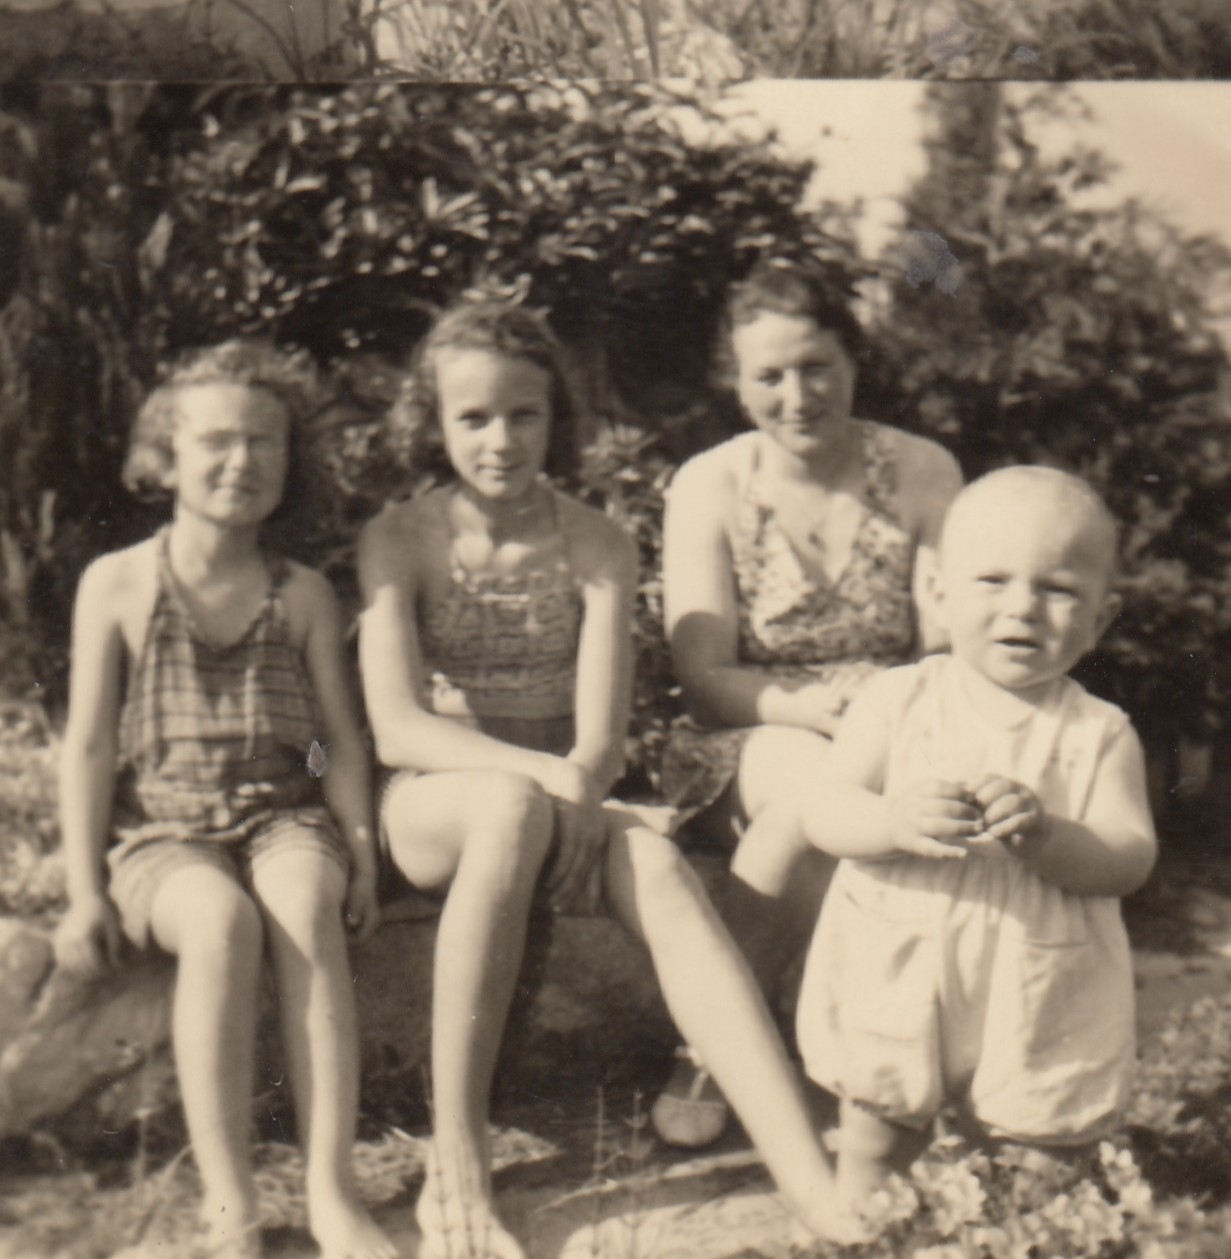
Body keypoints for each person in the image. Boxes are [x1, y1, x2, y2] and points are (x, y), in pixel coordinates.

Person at [357, 299, 859, 1259]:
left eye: (524, 414)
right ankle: (455, 1167)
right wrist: (547, 777)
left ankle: (811, 1182)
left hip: (560, 800)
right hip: (432, 806)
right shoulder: (399, 537)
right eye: (473, 418)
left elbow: (597, 742)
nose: (501, 440)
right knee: (505, 807)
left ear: (555, 418)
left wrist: (569, 781)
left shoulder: (596, 543)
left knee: (660, 869)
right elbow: (396, 728)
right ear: (433, 421)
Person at [53, 342, 396, 1259]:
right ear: (165, 457)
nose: (240, 461)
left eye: (263, 442)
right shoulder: (117, 585)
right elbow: (90, 746)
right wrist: (83, 891)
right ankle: (229, 1195)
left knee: (302, 901)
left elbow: (333, 739)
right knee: (217, 920)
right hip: (163, 832)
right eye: (215, 441)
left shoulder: (303, 595)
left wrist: (354, 840)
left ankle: (331, 1190)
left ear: (290, 462)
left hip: (284, 811)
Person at [653, 255, 963, 1147]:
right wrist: (815, 711)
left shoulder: (922, 471)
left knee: (858, 796)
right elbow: (703, 676)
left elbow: (945, 646)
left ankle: (863, 1062)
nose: (796, 395)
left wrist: (880, 721)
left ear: (853, 360)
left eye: (815, 366)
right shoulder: (709, 485)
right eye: (769, 376)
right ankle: (713, 1046)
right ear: (736, 381)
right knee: (812, 794)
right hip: (750, 732)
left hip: (897, 725)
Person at [794, 466, 1157, 1223]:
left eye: (1058, 589)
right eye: (992, 580)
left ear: (1101, 618)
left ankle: (1022, 1232)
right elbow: (823, 809)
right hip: (899, 966)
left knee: (1041, 1155)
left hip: (1038, 980)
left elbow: (1128, 856)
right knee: (874, 1132)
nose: (1021, 607)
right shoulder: (898, 700)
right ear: (937, 590)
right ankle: (864, 1232)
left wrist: (1048, 836)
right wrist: (891, 822)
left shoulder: (1097, 732)